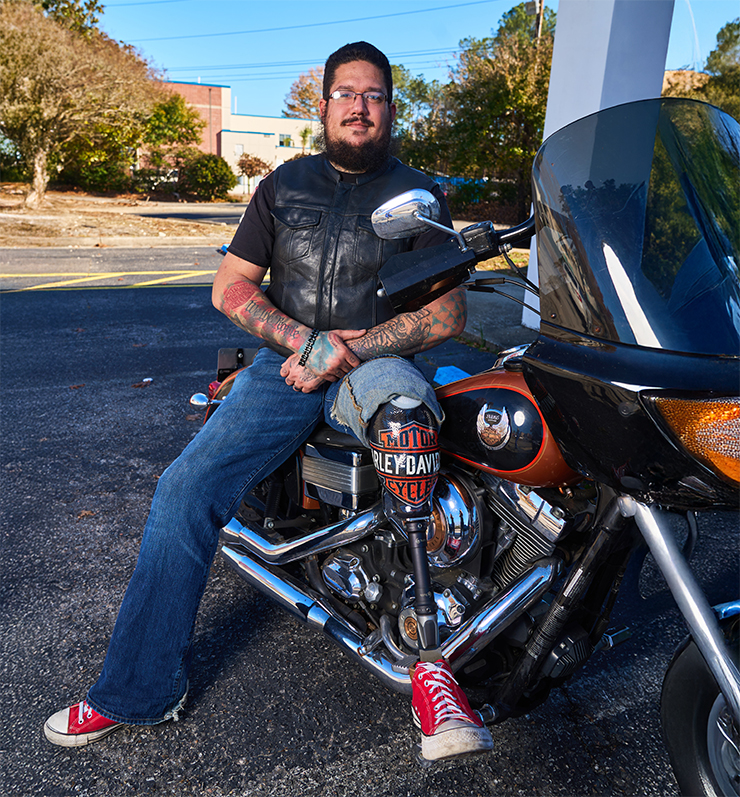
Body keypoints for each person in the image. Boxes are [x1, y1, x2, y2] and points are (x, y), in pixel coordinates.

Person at [44, 41, 493, 764]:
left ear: (389, 108)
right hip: (281, 368)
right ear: (321, 105)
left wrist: (350, 349)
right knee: (183, 488)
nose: (359, 105)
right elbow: (231, 286)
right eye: (345, 92)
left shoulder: (418, 195)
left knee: (413, 430)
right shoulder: (283, 187)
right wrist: (301, 341)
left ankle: (434, 669)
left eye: (373, 95)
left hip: (374, 368)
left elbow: (446, 317)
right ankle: (138, 688)